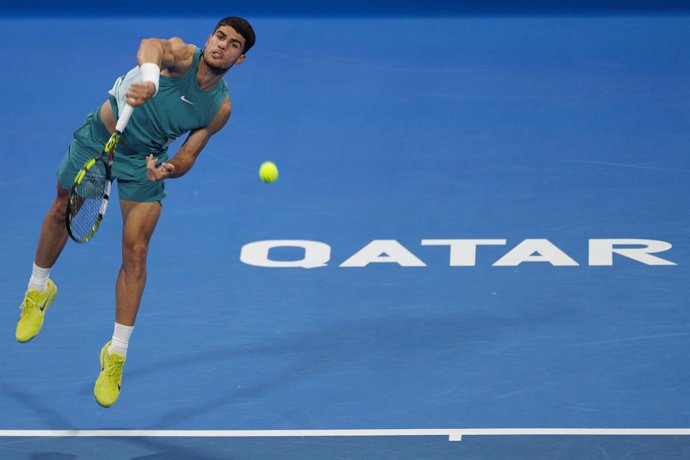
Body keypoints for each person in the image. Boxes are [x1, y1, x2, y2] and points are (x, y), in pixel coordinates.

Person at [15, 17, 255, 407]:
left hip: (146, 160)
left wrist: (169, 169)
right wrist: (150, 77)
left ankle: (116, 354)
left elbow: (189, 155)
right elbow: (150, 45)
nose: (222, 46)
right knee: (65, 209)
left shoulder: (220, 107)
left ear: (239, 59)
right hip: (102, 140)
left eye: (233, 45)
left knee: (137, 251)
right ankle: (38, 290)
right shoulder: (180, 54)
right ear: (209, 37)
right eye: (220, 36)